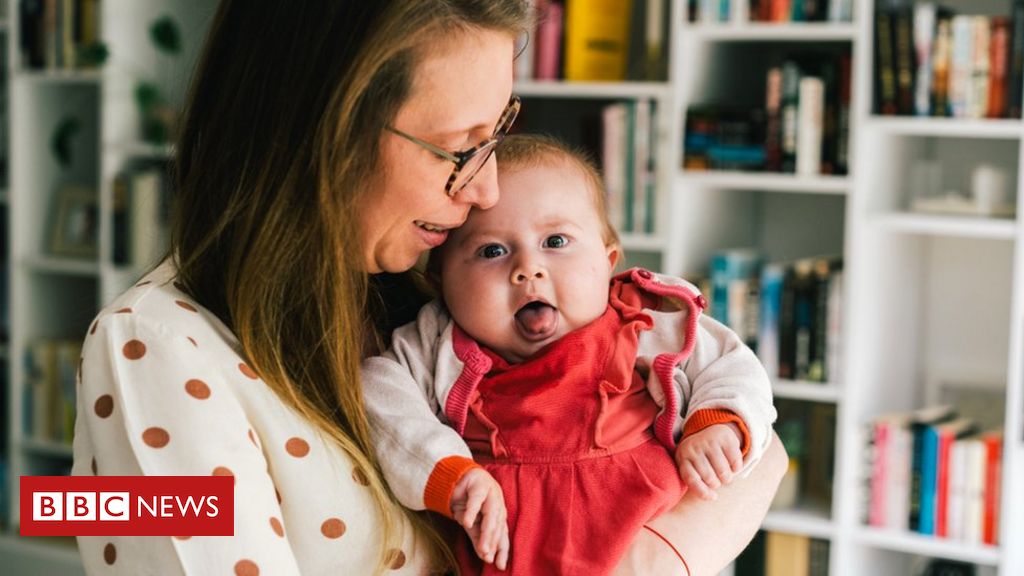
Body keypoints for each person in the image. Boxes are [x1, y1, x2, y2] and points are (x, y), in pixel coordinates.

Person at [72, 1, 786, 575]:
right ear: (324, 130)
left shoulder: (426, 285)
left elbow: (764, 455)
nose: (487, 188)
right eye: (458, 148)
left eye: (497, 133)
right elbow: (76, 510)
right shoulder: (150, 349)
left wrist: (653, 555)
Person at [362, 134, 778, 575]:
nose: (528, 268)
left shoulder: (642, 322)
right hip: (504, 549)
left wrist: (716, 424)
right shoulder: (440, 345)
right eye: (492, 251)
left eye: (556, 241)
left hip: (645, 527)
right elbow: (380, 395)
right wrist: (448, 470)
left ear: (607, 260)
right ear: (442, 280)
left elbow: (731, 365)